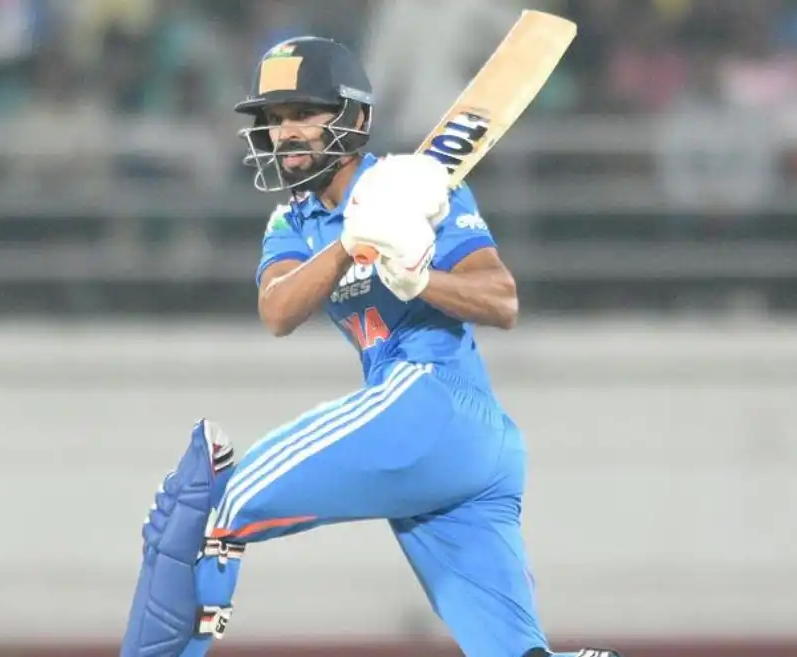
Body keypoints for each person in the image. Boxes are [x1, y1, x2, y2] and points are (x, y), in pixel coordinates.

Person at [119, 36, 620, 657]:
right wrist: (350, 242)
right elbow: (278, 311)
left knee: (215, 509)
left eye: (303, 113)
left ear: (354, 118)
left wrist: (420, 279)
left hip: (434, 402)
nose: (285, 133)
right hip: (446, 448)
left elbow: (502, 301)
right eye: (275, 118)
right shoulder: (295, 221)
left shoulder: (418, 190)